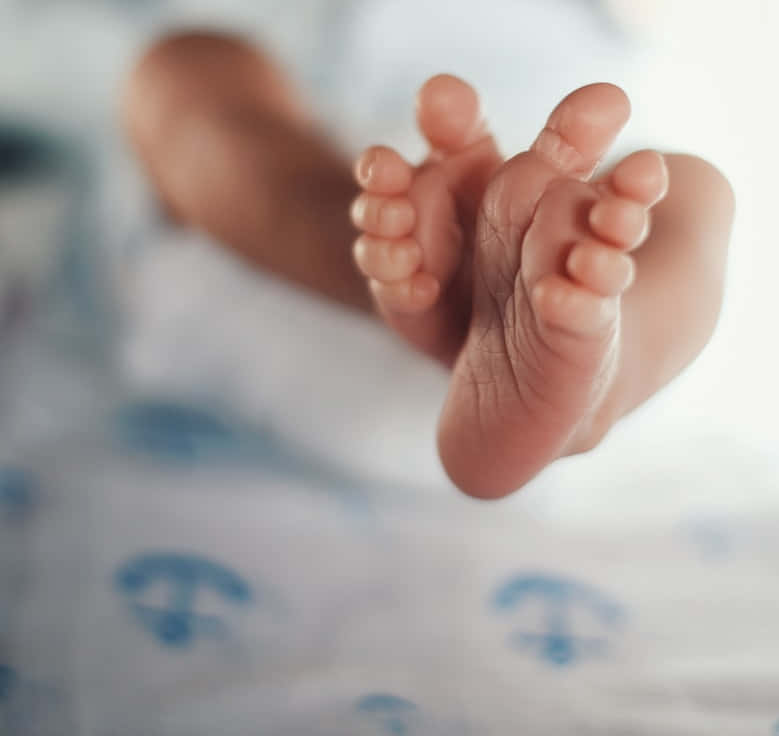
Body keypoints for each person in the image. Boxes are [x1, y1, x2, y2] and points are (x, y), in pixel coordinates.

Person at [123, 31, 735, 499]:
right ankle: (406, 265)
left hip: (559, 160)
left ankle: (598, 363)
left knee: (685, 180)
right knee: (186, 65)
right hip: (334, 127)